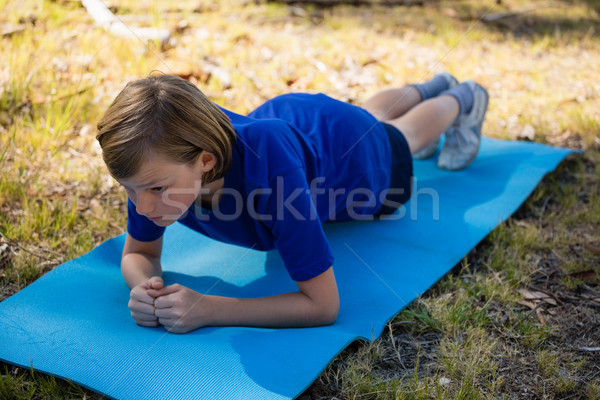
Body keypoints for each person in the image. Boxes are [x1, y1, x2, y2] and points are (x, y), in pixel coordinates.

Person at [96, 72, 489, 333]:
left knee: (401, 135)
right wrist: (144, 287)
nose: (142, 206)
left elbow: (322, 306)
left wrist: (210, 309)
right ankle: (432, 83)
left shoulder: (270, 178)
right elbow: (140, 252)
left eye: (155, 190)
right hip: (294, 123)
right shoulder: (156, 169)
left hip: (348, 152)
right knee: (369, 112)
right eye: (129, 190)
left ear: (206, 161)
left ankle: (462, 97)